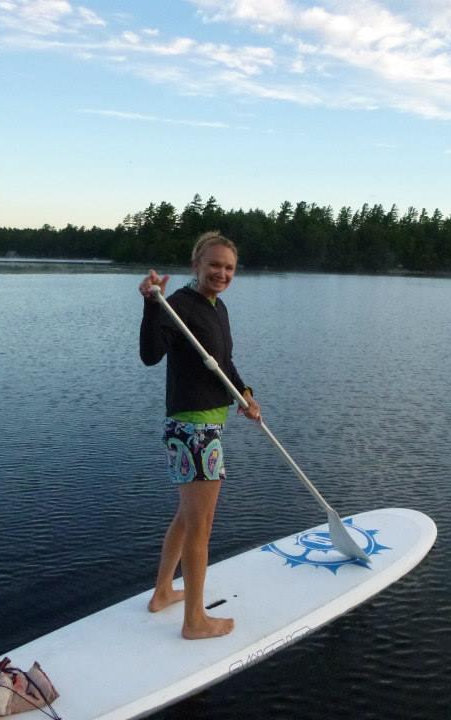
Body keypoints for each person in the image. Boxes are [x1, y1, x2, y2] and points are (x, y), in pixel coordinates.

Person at [138, 231, 261, 639]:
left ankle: (162, 593)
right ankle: (195, 620)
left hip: (207, 424)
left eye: (228, 267)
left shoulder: (217, 307)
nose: (221, 273)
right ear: (197, 265)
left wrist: (244, 394)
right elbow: (151, 355)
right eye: (214, 265)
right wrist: (152, 304)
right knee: (201, 526)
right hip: (193, 428)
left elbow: (223, 362)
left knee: (187, 518)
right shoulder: (179, 306)